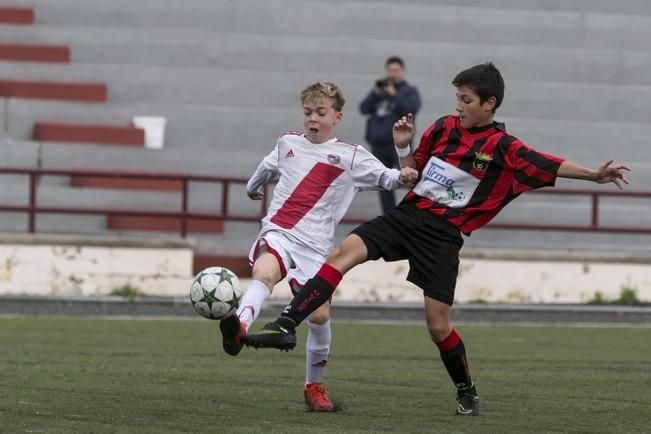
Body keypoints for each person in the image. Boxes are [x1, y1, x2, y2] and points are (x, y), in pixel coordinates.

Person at [244, 63, 630, 417]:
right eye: (457, 98)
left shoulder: (503, 147)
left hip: (443, 236)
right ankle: (285, 324)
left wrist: (593, 175)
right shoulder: (444, 128)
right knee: (344, 252)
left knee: (437, 326)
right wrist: (402, 147)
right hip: (408, 215)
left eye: (466, 100)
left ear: (489, 104)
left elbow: (548, 163)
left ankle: (466, 389)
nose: (458, 106)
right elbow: (412, 172)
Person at [218, 81, 418, 412]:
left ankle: (314, 385)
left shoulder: (351, 156)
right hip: (280, 231)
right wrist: (253, 186)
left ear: (336, 117)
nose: (313, 119)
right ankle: (238, 328)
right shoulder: (288, 143)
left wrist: (402, 159)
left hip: (315, 249)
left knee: (321, 316)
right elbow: (267, 166)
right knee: (265, 271)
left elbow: (391, 179)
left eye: (321, 113)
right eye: (308, 112)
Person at [360, 56, 421, 213]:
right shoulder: (379, 91)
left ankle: (413, 212)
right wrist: (376, 92)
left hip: (399, 145)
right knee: (383, 183)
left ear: (402, 71)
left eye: (396, 70)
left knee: (410, 178)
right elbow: (363, 108)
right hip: (378, 144)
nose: (392, 74)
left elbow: (411, 110)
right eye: (390, 70)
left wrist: (394, 94)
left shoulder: (409, 91)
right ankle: (389, 215)